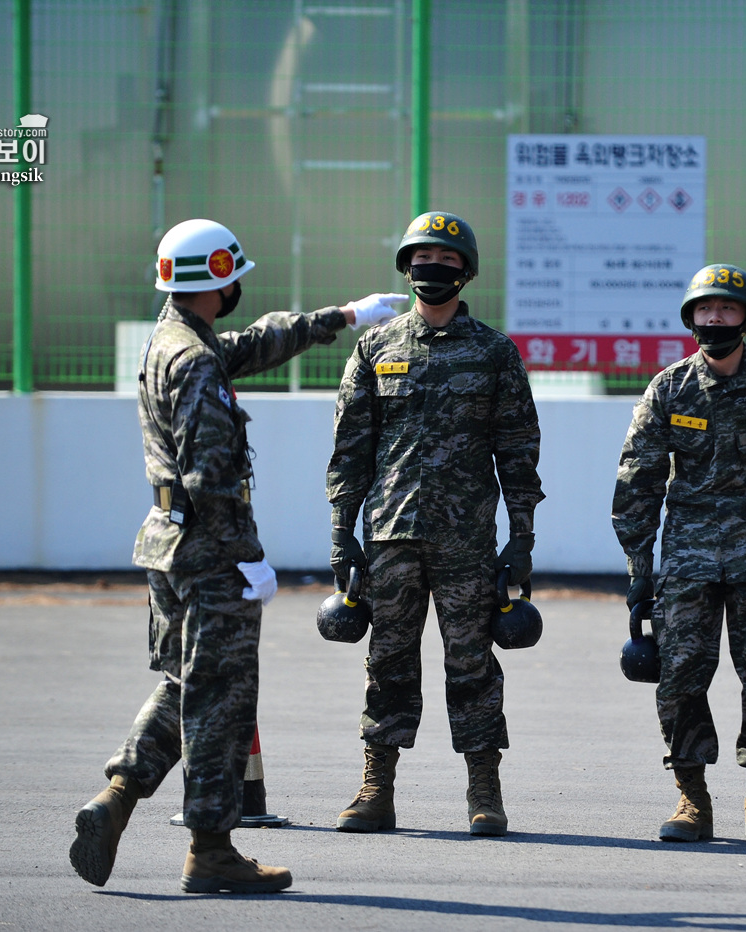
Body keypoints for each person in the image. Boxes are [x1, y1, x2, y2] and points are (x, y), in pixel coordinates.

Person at [69, 218, 405, 892]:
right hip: (207, 550)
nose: (239, 288)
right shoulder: (195, 363)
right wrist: (243, 557)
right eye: (234, 275)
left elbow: (251, 346)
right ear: (218, 278)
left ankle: (117, 798)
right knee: (221, 699)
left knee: (183, 686)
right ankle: (212, 850)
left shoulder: (174, 340)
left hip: (168, 543)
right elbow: (212, 469)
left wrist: (337, 317)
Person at [326, 210, 544, 837]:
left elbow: (518, 450)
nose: (432, 269)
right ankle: (377, 788)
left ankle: (484, 789)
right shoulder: (376, 347)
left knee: (472, 663)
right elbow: (351, 449)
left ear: (465, 272)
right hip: (391, 534)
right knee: (388, 660)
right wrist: (342, 532)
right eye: (422, 259)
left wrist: (522, 537)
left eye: (446, 261)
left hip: (468, 540)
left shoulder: (494, 352)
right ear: (406, 267)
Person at [611, 263, 746, 845]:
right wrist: (640, 572)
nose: (715, 318)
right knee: (681, 678)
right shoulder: (669, 389)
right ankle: (691, 799)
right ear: (691, 318)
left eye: (727, 310)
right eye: (705, 310)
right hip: (686, 566)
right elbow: (638, 484)